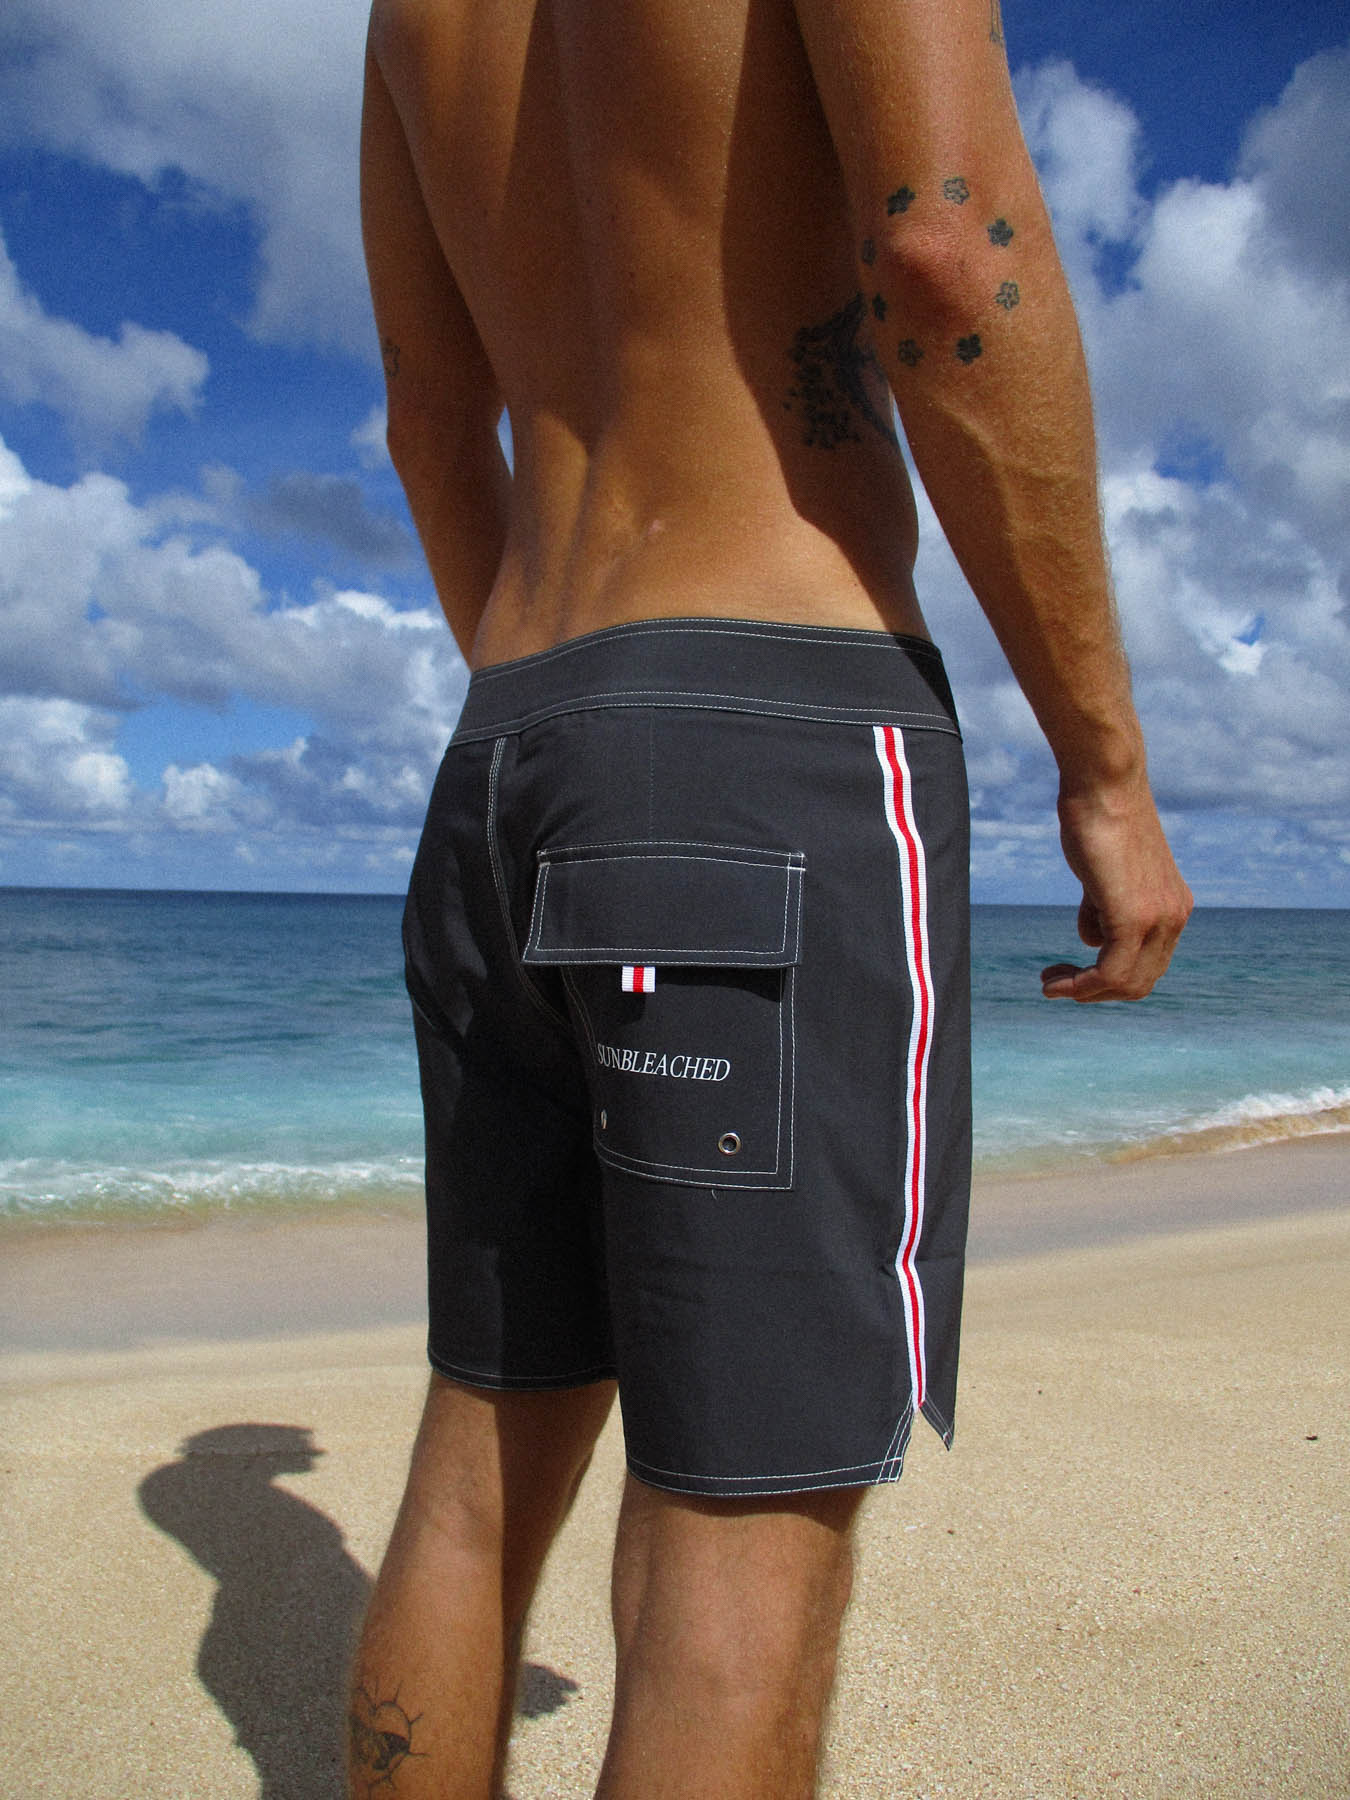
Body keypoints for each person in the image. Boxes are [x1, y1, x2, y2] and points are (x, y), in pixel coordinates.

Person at [350, 0, 1193, 1793]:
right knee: (740, 1545)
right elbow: (946, 257)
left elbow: (431, 426)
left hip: (509, 735)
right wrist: (1101, 768)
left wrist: (572, 724)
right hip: (769, 732)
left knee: (477, 1459)